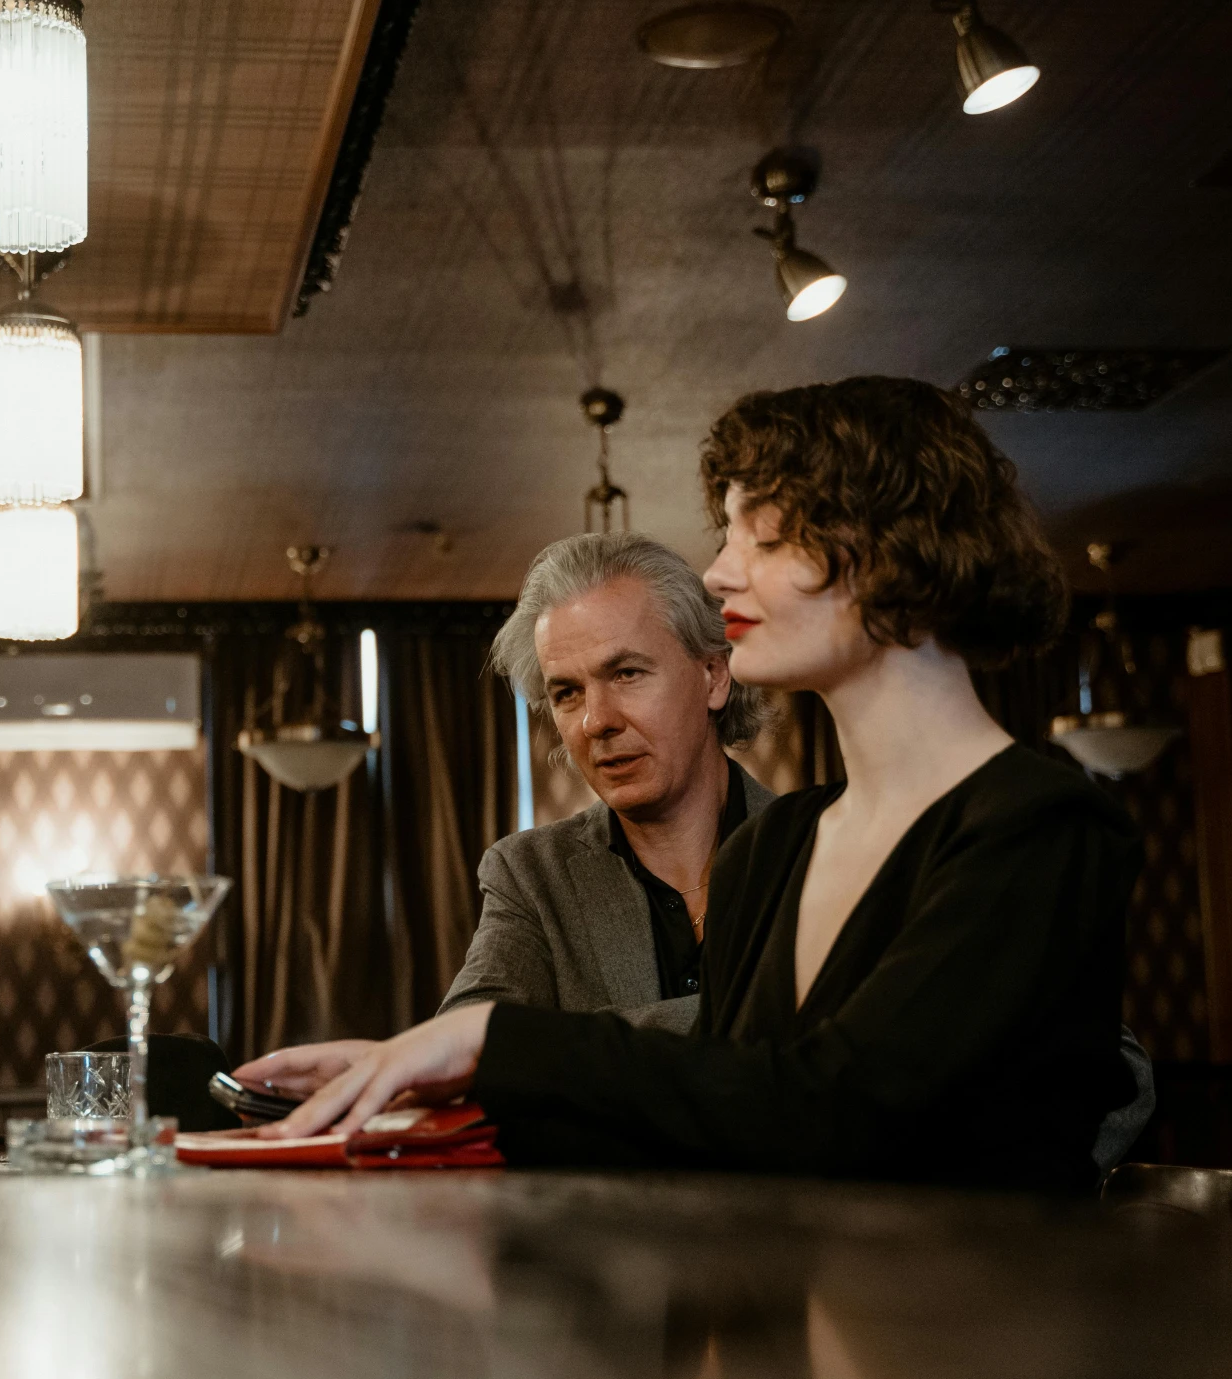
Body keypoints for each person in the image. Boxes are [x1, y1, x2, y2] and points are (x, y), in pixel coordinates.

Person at [248, 377, 1146, 1193]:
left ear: (892, 550)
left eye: (764, 533)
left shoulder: (1044, 826)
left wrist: (497, 1042)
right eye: (727, 534)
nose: (719, 571)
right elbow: (722, 1125)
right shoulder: (775, 846)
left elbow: (843, 1111)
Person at [440, 532, 773, 1032]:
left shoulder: (822, 848)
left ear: (713, 675)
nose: (596, 721)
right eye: (568, 692)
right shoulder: (530, 875)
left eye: (626, 673)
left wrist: (562, 1048)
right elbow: (469, 1045)